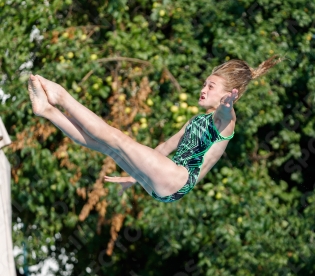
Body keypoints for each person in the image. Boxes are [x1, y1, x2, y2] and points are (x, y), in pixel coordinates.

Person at [27, 55, 283, 203]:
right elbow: (162, 149)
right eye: (205, 83)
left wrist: (228, 106)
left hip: (178, 179)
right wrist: (134, 177)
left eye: (211, 86)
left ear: (230, 95)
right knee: (105, 145)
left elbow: (225, 113)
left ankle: (61, 97)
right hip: (165, 187)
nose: (203, 89)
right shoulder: (196, 121)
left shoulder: (224, 121)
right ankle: (47, 110)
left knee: (116, 137)